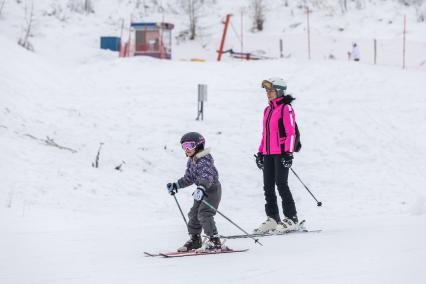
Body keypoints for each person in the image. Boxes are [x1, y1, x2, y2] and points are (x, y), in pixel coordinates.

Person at [254, 77, 299, 234]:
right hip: (268, 153)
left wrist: (288, 153)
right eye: (267, 91)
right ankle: (273, 218)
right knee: (268, 187)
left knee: (281, 184)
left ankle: (292, 218)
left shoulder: (286, 108)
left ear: (279, 91)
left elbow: (291, 132)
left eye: (271, 90)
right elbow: (265, 135)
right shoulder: (267, 110)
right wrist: (261, 152)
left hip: (281, 153)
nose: (268, 93)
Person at [166, 132, 222, 252]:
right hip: (200, 190)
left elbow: (207, 176)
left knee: (204, 214)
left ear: (198, 145)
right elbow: (189, 178)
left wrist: (201, 187)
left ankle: (214, 240)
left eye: (189, 145)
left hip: (211, 190)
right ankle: (195, 239)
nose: (186, 149)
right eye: (184, 146)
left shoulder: (204, 159)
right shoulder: (192, 161)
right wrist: (177, 185)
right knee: (193, 214)